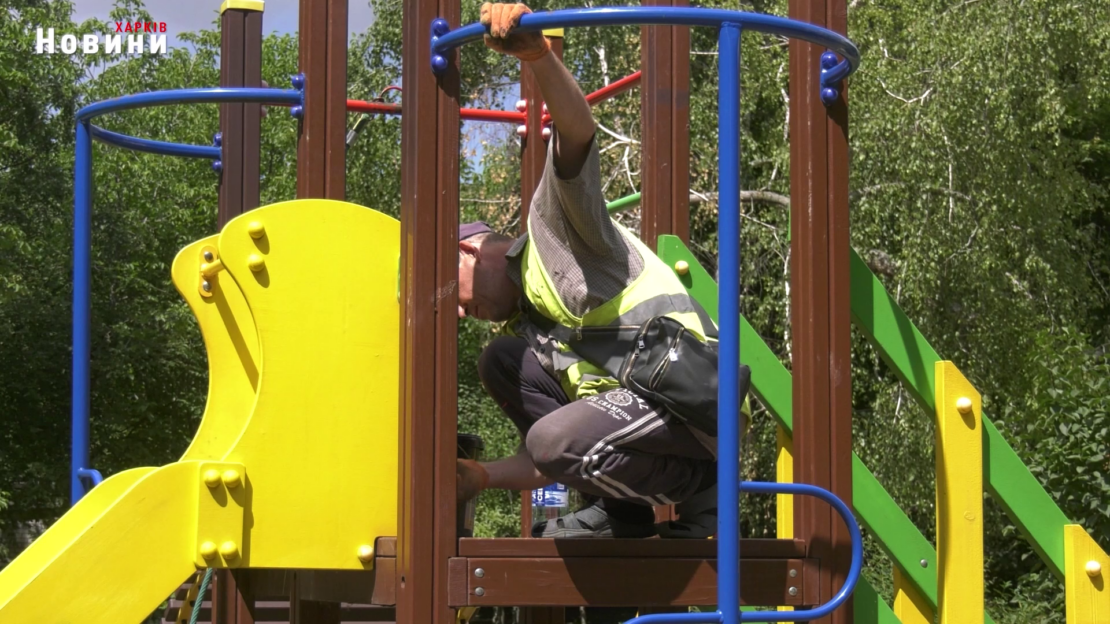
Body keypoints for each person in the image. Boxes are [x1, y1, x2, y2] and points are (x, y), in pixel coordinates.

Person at [455, 2, 737, 539]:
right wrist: (481, 476)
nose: (464, 313)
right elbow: (552, 456)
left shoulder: (556, 229)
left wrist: (539, 58)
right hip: (641, 413)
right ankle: (621, 514)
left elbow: (578, 133)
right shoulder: (528, 326)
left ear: (469, 251)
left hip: (695, 403)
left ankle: (707, 489)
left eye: (457, 297)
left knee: (551, 433)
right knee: (500, 362)